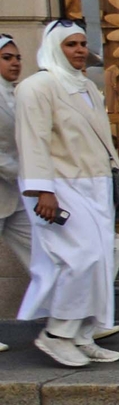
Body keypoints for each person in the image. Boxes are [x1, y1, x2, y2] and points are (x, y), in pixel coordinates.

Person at [15, 20, 119, 367]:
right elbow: (32, 141)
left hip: (93, 184)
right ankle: (57, 333)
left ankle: (81, 333)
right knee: (81, 258)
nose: (80, 50)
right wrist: (42, 191)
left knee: (105, 253)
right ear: (54, 48)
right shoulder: (37, 87)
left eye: (82, 43)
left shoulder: (85, 88)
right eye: (71, 44)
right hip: (60, 187)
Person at [0, 34, 24, 351]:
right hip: (12, 183)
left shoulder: (18, 94)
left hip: (17, 194)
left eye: (17, 57)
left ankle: (69, 322)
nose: (16, 62)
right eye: (7, 57)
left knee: (43, 255)